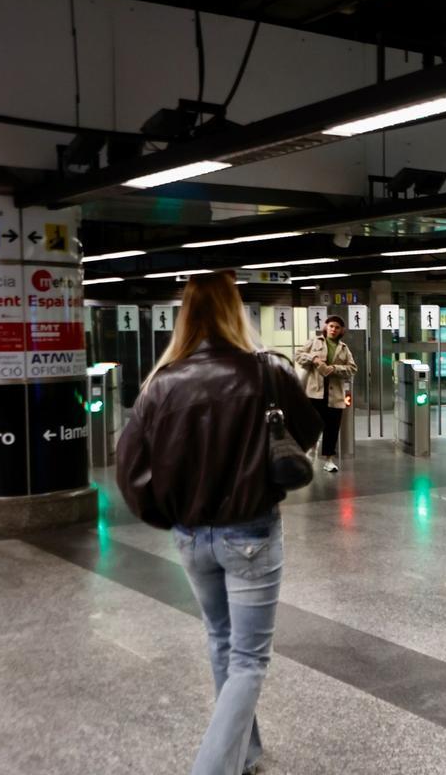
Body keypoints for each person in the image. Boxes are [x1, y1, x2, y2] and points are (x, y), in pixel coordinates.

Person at [116, 271, 322, 775]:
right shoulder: (267, 371)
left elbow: (129, 467)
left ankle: (244, 754)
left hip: (192, 537)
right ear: (236, 311)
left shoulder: (161, 382)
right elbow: (309, 430)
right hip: (251, 531)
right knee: (249, 659)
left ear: (185, 317)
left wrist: (170, 515)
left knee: (221, 641)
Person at [297, 314, 358, 472]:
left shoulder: (344, 348)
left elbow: (352, 368)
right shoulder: (315, 341)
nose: (333, 329)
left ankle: (329, 459)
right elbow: (298, 355)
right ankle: (311, 453)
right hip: (315, 391)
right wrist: (313, 358)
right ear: (326, 327)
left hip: (335, 394)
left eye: (337, 327)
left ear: (341, 330)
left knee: (332, 427)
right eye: (331, 326)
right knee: (312, 424)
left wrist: (335, 368)